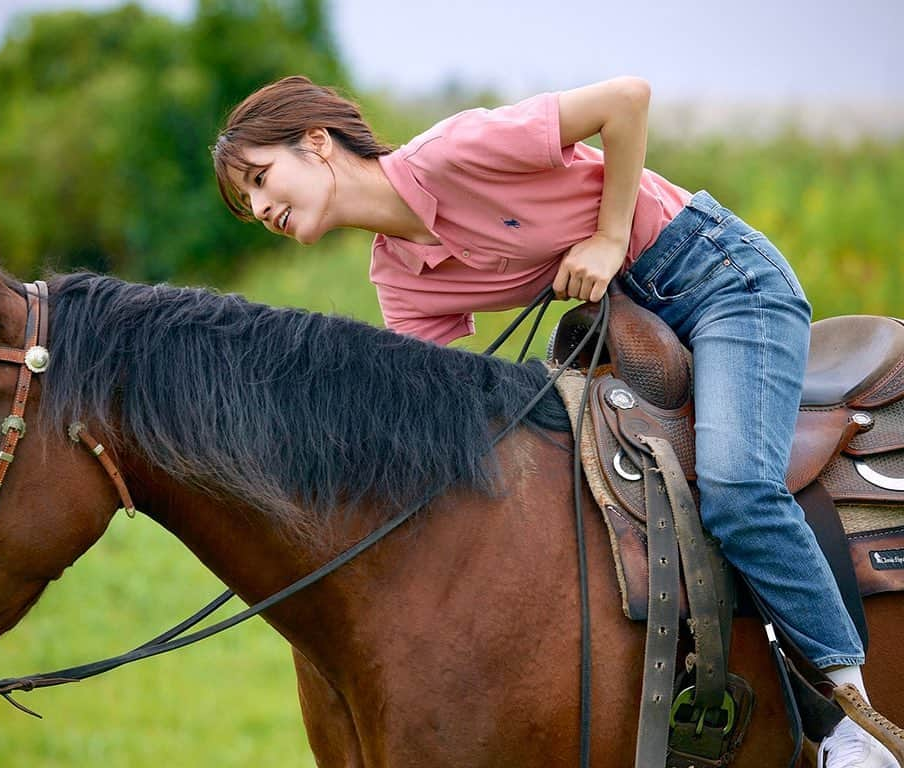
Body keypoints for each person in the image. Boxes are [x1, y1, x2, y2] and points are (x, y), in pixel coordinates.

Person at [211, 75, 897, 767]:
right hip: (630, 314)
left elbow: (625, 100)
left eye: (264, 179)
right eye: (249, 203)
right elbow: (433, 407)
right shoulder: (398, 276)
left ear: (318, 143)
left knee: (736, 488)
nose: (263, 205)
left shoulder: (453, 152)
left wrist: (607, 236)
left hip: (720, 278)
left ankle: (855, 724)